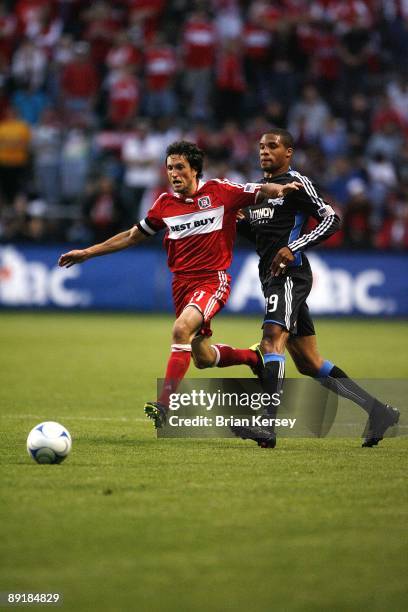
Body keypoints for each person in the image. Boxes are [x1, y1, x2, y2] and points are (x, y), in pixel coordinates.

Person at [58, 140, 302, 429]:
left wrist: (280, 189)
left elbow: (260, 189)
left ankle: (164, 405)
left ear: (195, 169)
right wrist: (87, 253)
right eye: (169, 168)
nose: (174, 173)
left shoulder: (220, 191)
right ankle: (254, 358)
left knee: (180, 330)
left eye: (180, 167)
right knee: (202, 356)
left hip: (213, 280)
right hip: (181, 286)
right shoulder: (164, 204)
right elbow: (131, 236)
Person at [204, 128, 400, 449]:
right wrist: (241, 224)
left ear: (289, 152)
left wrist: (294, 246)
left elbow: (331, 219)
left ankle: (267, 426)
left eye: (272, 146)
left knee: (271, 339)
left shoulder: (296, 183)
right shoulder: (262, 192)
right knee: (309, 362)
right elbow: (264, 237)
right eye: (261, 147)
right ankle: (379, 411)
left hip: (290, 274)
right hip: (271, 275)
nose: (264, 152)